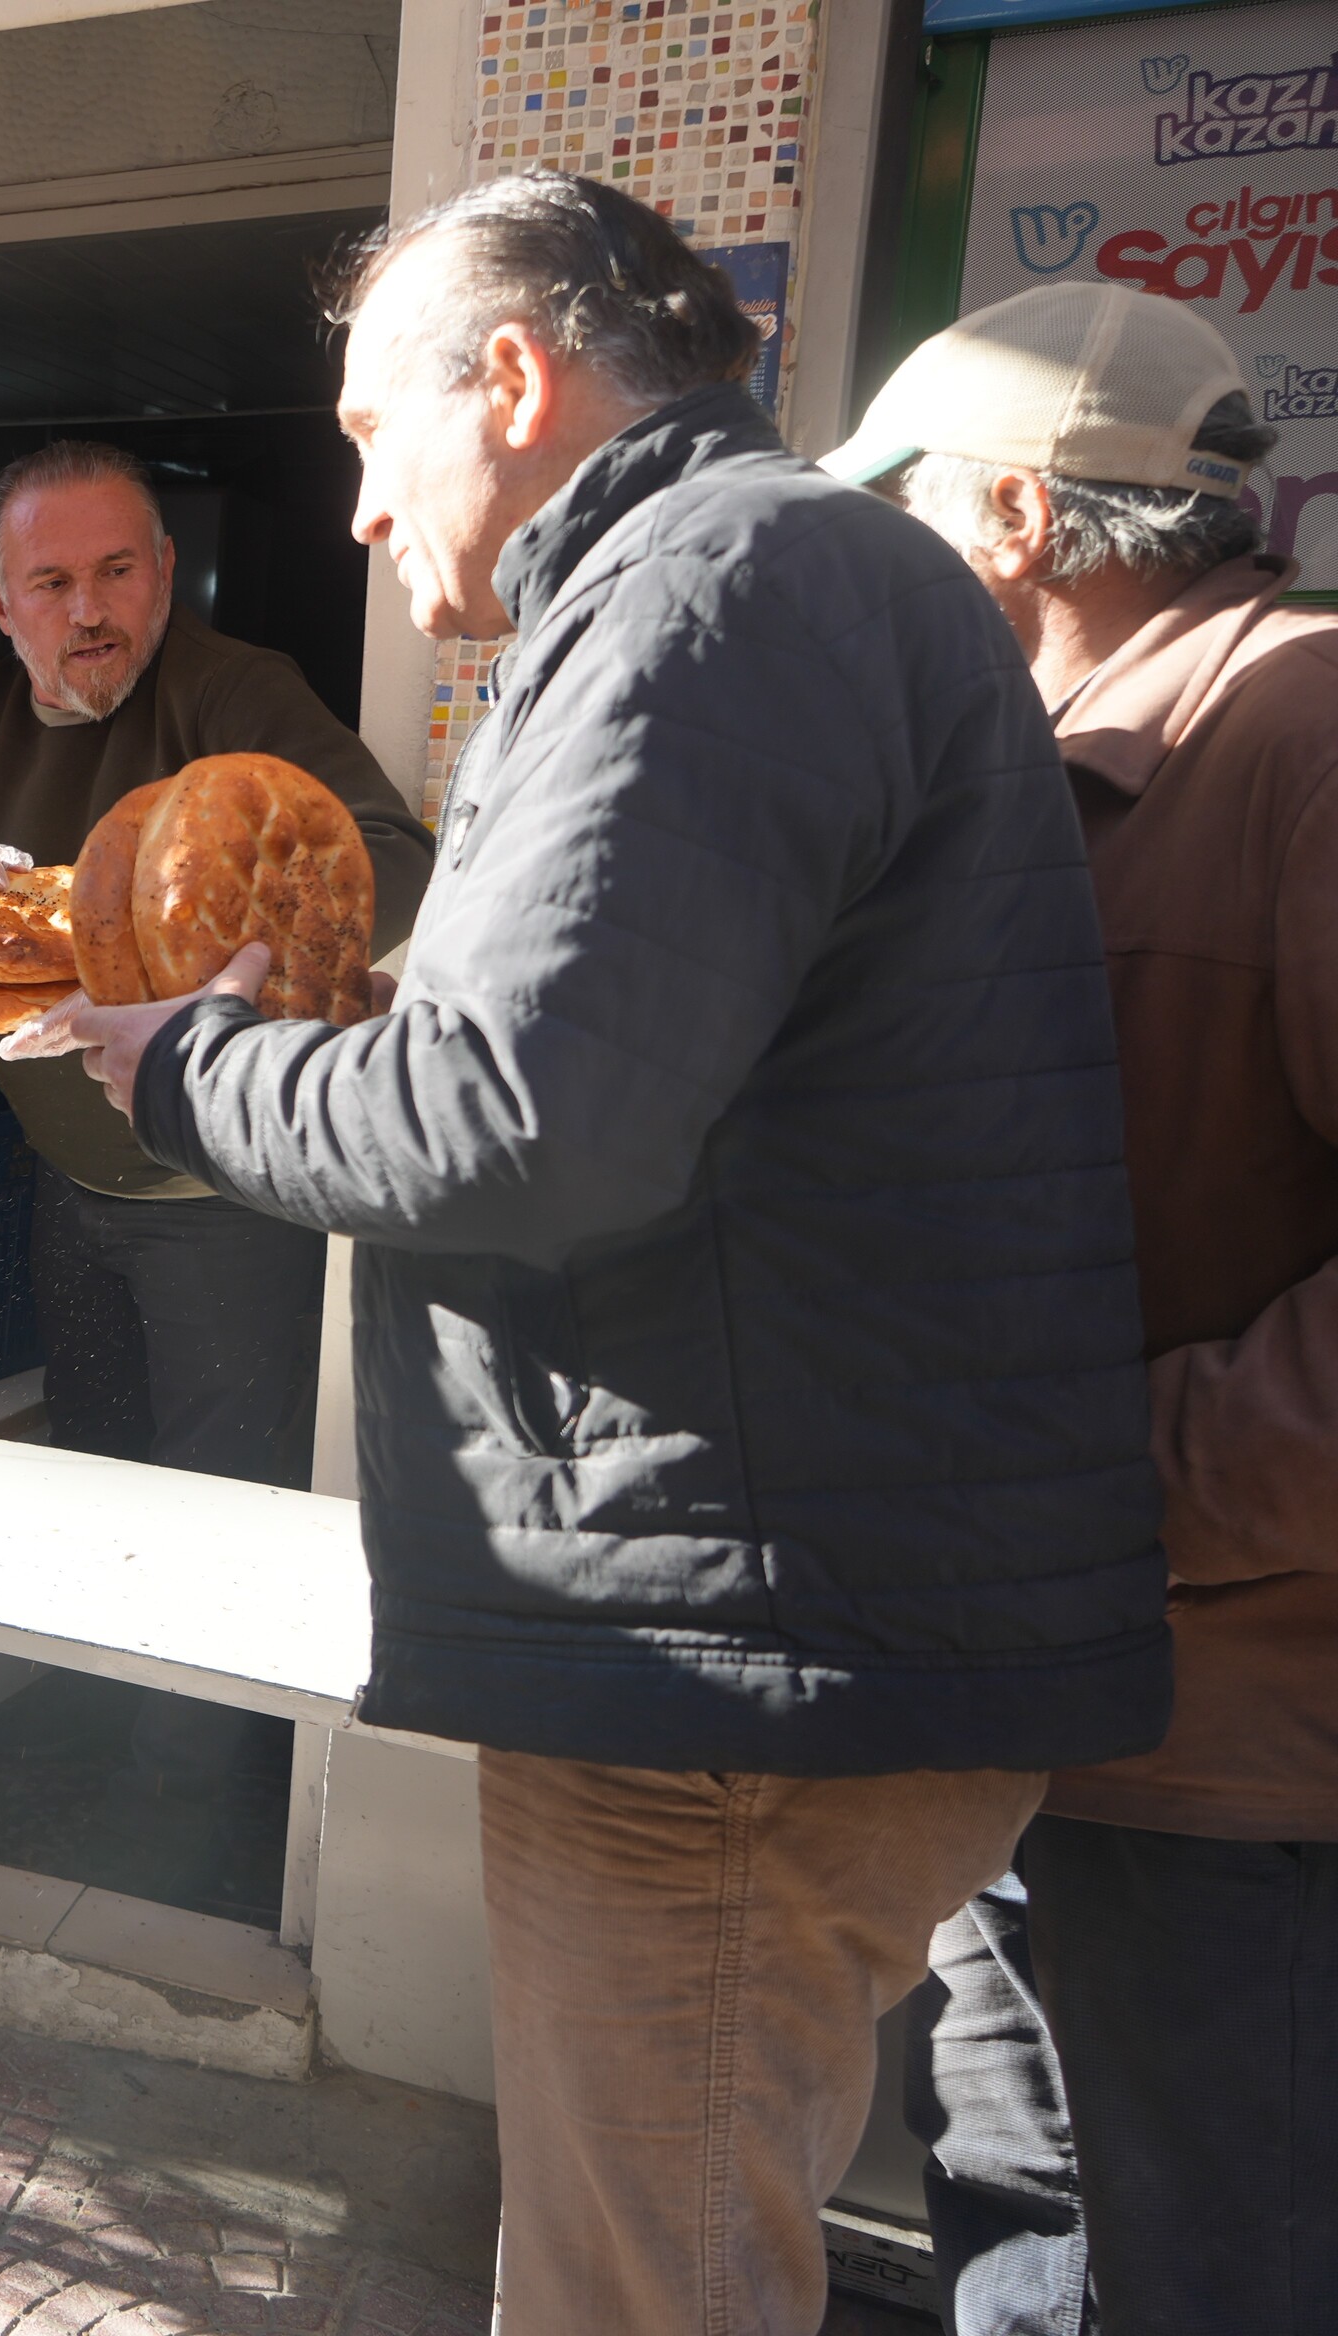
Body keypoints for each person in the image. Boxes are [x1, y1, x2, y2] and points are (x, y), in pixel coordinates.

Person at [38, 173, 1173, 2336]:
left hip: (728, 1665)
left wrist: (193, 1070)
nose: (360, 510)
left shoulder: (708, 589)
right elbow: (648, 1076)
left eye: (373, 438)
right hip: (782, 1598)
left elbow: (515, 1120)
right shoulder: (776, 583)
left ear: (515, 376)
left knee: (633, 2290)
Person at [836, 283, 1338, 2333]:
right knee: (1018, 2243)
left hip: (1229, 1764)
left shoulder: (1301, 731)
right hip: (1025, 1716)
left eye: (895, 535)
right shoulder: (1039, 766)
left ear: (1018, 523)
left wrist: (1096, 1481)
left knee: (1211, 2271)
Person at [0, 439, 431, 1484]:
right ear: (1, 605)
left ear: (167, 572)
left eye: (118, 572)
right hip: (68, 1177)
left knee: (223, 1499)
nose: (88, 611)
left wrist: (161, 954)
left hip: (227, 1198)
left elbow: (393, 850)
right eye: (51, 583)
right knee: (95, 1466)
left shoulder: (232, 693)